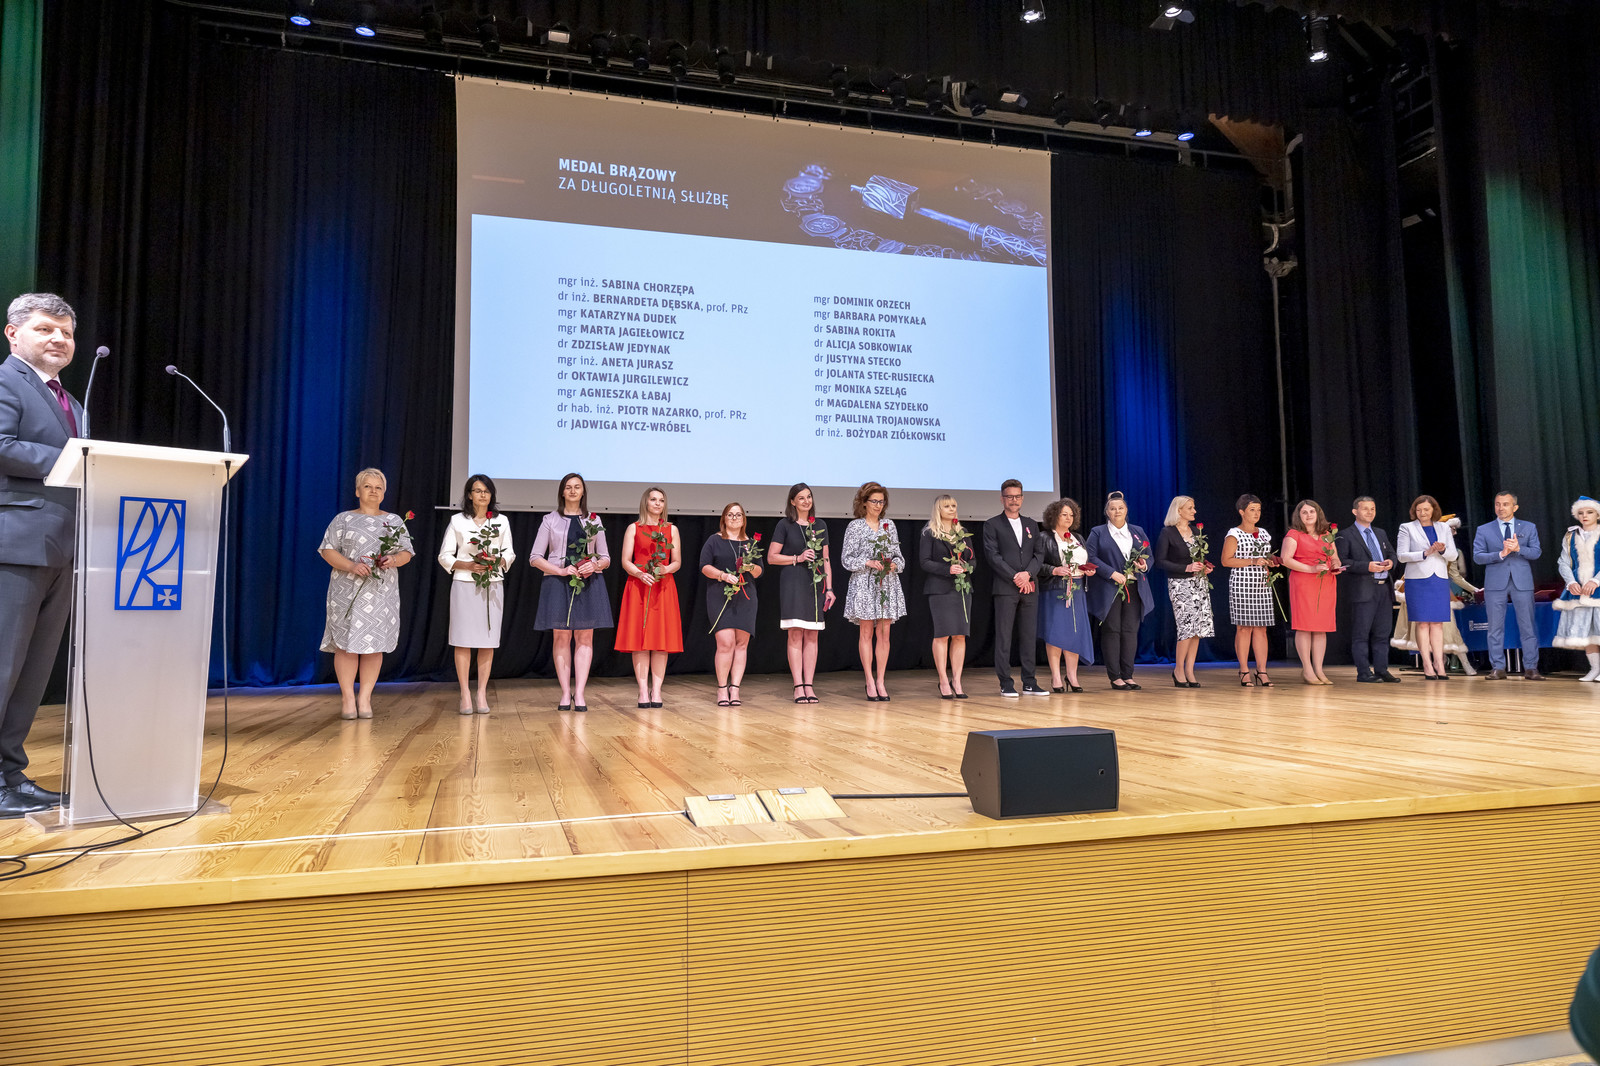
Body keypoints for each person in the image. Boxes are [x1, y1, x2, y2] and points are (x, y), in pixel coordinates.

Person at [0, 293, 83, 817]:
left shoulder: (70, 400)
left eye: (67, 333)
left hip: (64, 549)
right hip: (15, 544)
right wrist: (73, 457)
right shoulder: (6, 381)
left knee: (32, 672)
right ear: (13, 334)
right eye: (46, 329)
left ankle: (10, 773)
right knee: (3, 666)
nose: (59, 339)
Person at [319, 468, 415, 720]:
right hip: (347, 591)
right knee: (346, 646)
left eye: (378, 487)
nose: (373, 491)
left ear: (384, 493)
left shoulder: (395, 521)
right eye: (368, 486)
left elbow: (406, 553)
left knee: (374, 646)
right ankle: (347, 698)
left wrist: (393, 559)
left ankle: (365, 698)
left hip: (380, 592)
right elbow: (327, 550)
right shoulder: (343, 519)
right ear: (357, 491)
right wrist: (351, 566)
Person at [529, 472, 612, 712]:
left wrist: (594, 565)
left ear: (583, 491)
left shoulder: (594, 520)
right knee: (561, 637)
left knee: (585, 638)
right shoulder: (549, 520)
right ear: (562, 492)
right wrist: (561, 570)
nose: (573, 491)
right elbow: (535, 557)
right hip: (558, 582)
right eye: (568, 487)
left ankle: (580, 693)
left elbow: (606, 557)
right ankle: (566, 693)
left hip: (589, 582)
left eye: (577, 487)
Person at [437, 474, 515, 715]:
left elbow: (509, 554)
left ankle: (481, 692)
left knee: (487, 641)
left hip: (492, 584)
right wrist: (468, 565)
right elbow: (444, 555)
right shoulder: (457, 521)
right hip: (464, 584)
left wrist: (497, 560)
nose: (482, 495)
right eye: (478, 490)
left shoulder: (501, 521)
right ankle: (464, 693)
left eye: (486, 491)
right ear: (469, 495)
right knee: (462, 640)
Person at [767, 482, 835, 704]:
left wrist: (830, 588)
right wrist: (797, 558)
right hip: (793, 581)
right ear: (793, 502)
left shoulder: (820, 525)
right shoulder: (784, 525)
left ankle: (809, 685)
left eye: (809, 497)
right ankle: (798, 686)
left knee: (813, 634)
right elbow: (771, 557)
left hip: (815, 583)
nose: (807, 501)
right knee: (796, 633)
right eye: (801, 498)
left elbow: (826, 559)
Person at [616, 487, 683, 708]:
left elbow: (677, 561)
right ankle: (643, 690)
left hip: (663, 587)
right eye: (653, 499)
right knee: (640, 641)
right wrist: (639, 573)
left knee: (660, 642)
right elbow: (625, 560)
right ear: (646, 502)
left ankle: (657, 691)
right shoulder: (634, 528)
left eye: (661, 500)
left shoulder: (672, 529)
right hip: (639, 585)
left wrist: (666, 569)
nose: (657, 503)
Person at [841, 481, 905, 701]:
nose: (878, 505)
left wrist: (894, 564)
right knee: (866, 633)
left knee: (884, 633)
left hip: (886, 583)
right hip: (864, 583)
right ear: (864, 503)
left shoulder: (889, 525)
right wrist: (867, 562)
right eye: (874, 501)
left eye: (881, 501)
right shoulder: (855, 526)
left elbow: (899, 556)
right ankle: (869, 680)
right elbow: (846, 559)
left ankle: (881, 681)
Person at [982, 479, 1046, 698]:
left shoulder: (1031, 524)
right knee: (1004, 637)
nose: (1014, 500)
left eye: (1017, 496)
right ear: (1002, 499)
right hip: (1005, 588)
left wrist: (1028, 574)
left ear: (1022, 498)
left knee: (1028, 636)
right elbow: (993, 556)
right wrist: (1015, 576)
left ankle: (1029, 682)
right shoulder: (992, 524)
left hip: (1030, 587)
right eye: (1009, 496)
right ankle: (1006, 683)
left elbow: (1039, 554)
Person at [1472, 491, 1545, 680]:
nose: (1500, 508)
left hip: (1522, 581)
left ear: (1515, 507)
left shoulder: (1528, 527)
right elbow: (1478, 557)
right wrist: (1500, 554)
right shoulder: (1484, 529)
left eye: (1505, 504)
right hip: (1495, 583)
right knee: (1494, 628)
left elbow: (1536, 552)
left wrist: (1518, 548)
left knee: (1528, 626)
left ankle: (1531, 668)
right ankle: (1498, 667)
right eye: (1497, 504)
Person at [1392, 516, 1478, 675]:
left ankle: (1460, 664)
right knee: (1425, 628)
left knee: (1449, 629)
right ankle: (1435, 663)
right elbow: (1407, 562)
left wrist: (1474, 590)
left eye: (1454, 530)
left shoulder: (1452, 551)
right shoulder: (1423, 544)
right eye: (1452, 529)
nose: (1454, 532)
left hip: (1442, 591)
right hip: (1422, 590)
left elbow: (1457, 575)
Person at [1085, 491, 1153, 690]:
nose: (1117, 511)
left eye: (1120, 508)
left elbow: (1149, 556)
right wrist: (1111, 573)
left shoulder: (1137, 531)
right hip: (1109, 588)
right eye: (1113, 508)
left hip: (1134, 587)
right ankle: (1115, 676)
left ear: (1126, 510)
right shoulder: (1098, 532)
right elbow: (1091, 557)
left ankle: (1128, 675)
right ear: (1107, 512)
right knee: (1112, 630)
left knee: (1130, 631)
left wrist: (1143, 565)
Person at [700, 501, 762, 707]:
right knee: (725, 643)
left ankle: (735, 688)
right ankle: (721, 688)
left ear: (744, 519)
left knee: (741, 644)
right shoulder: (714, 540)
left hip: (746, 597)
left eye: (738, 515)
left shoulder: (751, 543)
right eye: (730, 515)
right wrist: (723, 576)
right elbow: (704, 566)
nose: (734, 518)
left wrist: (750, 566)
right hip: (720, 595)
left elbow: (759, 571)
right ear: (724, 519)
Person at [1335, 496, 1401, 683]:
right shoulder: (1345, 535)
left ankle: (1382, 670)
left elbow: (1392, 554)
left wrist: (1391, 562)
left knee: (1382, 634)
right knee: (1361, 635)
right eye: (1365, 509)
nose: (1370, 512)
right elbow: (1342, 562)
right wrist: (1367, 566)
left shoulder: (1380, 533)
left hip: (1384, 589)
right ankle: (1363, 672)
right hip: (1363, 591)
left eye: (1372, 509)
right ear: (1355, 511)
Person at [1396, 494, 1459, 681]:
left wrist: (1442, 550)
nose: (1422, 513)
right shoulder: (1407, 528)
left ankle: (1439, 663)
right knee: (1422, 623)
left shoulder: (1443, 527)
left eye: (1426, 509)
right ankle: (1426, 664)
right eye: (1419, 510)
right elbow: (1401, 555)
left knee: (1437, 623)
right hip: (1417, 580)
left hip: (1438, 579)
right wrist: (1425, 552)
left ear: (1433, 510)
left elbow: (1453, 555)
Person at [1281, 499, 1344, 685]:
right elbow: (1286, 559)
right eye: (1304, 512)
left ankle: (1319, 669)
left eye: (1312, 512)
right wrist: (1310, 569)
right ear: (1298, 516)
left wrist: (1336, 565)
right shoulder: (1294, 534)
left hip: (1325, 582)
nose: (1309, 515)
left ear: (1318, 514)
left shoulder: (1327, 535)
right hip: (1304, 581)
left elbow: (1335, 558)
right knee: (1305, 626)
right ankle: (1307, 669)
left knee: (1320, 627)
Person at [1154, 495, 1215, 688]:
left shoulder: (1196, 532)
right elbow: (1160, 561)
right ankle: (1178, 670)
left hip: (1199, 584)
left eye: (1193, 507)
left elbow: (1199, 558)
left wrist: (1204, 567)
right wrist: (1186, 568)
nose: (1194, 511)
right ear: (1178, 510)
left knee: (1198, 630)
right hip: (1180, 585)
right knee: (1186, 629)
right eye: (1190, 508)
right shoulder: (1168, 532)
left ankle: (1190, 670)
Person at [1222, 493, 1280, 687]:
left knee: (1261, 628)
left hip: (1261, 584)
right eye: (1252, 510)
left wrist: (1270, 561)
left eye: (1259, 510)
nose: (1256, 513)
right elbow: (1226, 560)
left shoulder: (1263, 533)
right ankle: (1244, 670)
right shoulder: (1234, 533)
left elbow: (1266, 555)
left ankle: (1262, 671)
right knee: (1244, 628)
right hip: (1242, 584)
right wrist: (1252, 561)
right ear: (1242, 512)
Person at [1038, 497, 1095, 693]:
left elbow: (1084, 561)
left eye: (1071, 515)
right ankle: (1056, 677)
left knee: (1074, 633)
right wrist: (1054, 570)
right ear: (1054, 516)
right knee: (1055, 634)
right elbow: (1036, 564)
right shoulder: (1045, 537)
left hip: (1077, 590)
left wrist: (1088, 570)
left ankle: (1072, 676)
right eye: (1064, 514)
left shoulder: (1078, 538)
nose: (1068, 518)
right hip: (1055, 589)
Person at [920, 494, 974, 699]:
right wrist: (947, 569)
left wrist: (966, 568)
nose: (952, 509)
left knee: (960, 635)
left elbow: (974, 560)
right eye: (947, 506)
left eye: (954, 506)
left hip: (962, 589)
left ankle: (957, 680)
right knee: (942, 635)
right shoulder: (929, 533)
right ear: (938, 510)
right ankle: (943, 680)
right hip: (940, 590)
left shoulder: (963, 533)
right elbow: (925, 562)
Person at [1554, 496, 1600, 681]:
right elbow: (1563, 562)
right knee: (1586, 633)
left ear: (1597, 514)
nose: (1584, 516)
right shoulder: (1571, 535)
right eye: (1581, 513)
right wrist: (1571, 582)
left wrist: (1595, 581)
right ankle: (1595, 669)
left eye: (1589, 512)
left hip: (1597, 589)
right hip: (1579, 591)